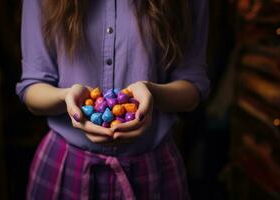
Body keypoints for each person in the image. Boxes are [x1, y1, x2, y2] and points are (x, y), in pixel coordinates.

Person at [16, 0, 210, 199]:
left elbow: (192, 88)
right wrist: (66, 97)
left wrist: (152, 92)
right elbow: (32, 88)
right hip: (64, 167)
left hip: (153, 171)